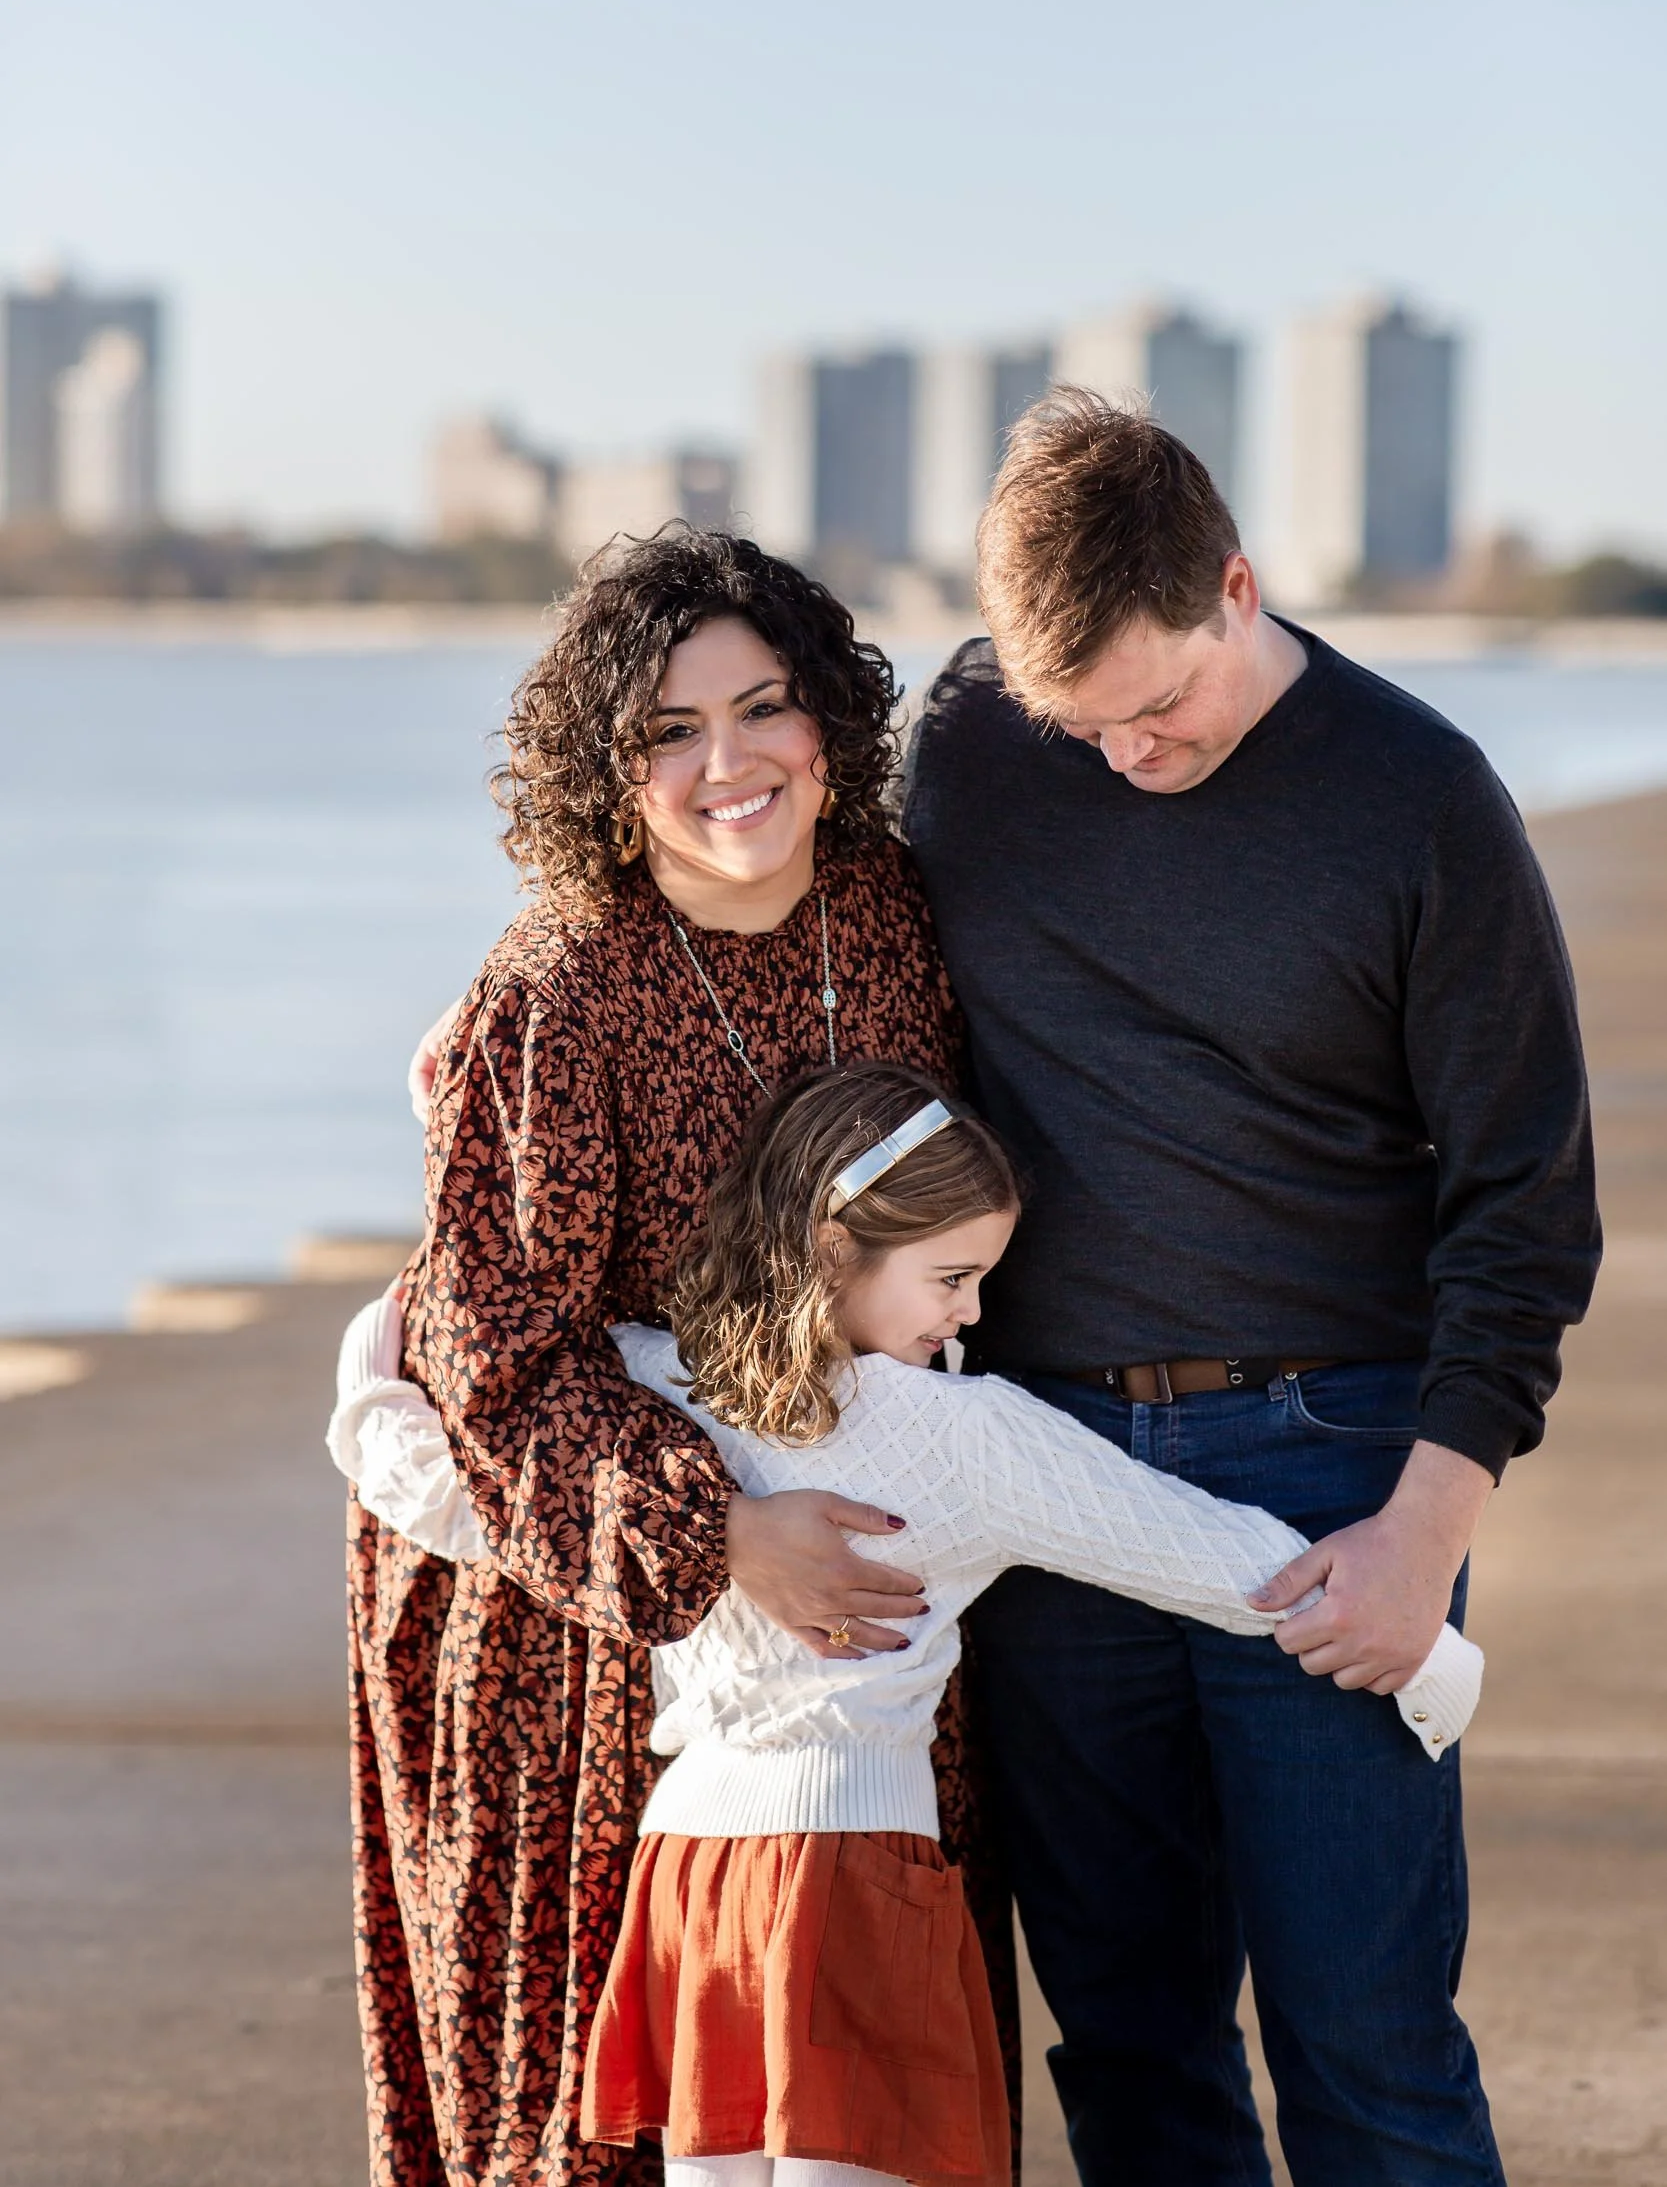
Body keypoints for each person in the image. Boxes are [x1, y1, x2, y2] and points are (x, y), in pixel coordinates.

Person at [335, 1063, 1480, 2187]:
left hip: (689, 1872)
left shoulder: (648, 1386)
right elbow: (1205, 1551)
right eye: (951, 1276)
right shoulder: (965, 1435)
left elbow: (447, 1484)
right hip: (853, 1867)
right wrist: (1433, 1658)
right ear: (836, 1249)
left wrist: (377, 1356)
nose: (971, 1312)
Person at [903, 387, 1601, 2187]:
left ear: (1235, 583)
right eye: (1082, 726)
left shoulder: (1419, 798)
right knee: (1130, 2051)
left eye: (1158, 708)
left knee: (1367, 2057)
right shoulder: (970, 741)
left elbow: (1526, 1205)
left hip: (1330, 1469)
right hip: (1044, 1470)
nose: (1126, 755)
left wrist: (1422, 1536)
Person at [345, 527, 987, 2187]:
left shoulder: (894, 918)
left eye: (762, 707)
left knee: (848, 2100)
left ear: (826, 720)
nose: (728, 765)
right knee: (599, 2119)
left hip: (853, 1606)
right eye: (668, 732)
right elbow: (496, 1359)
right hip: (594, 1620)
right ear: (607, 771)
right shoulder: (557, 988)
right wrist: (723, 1538)